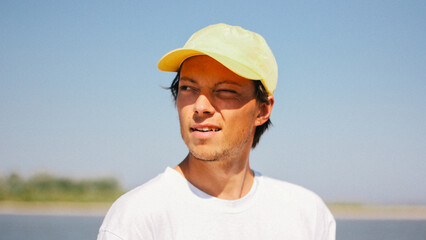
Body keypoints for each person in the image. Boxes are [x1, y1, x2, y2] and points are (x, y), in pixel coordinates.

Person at [97, 23, 336, 240]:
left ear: (262, 110)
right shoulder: (136, 219)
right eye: (188, 87)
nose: (200, 107)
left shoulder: (307, 215)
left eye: (225, 91)